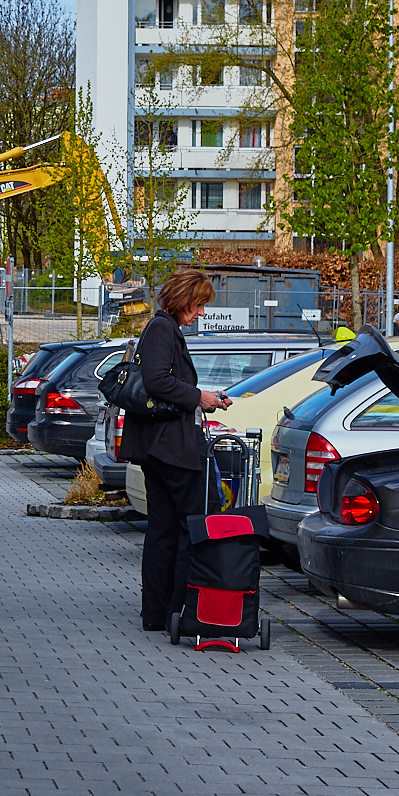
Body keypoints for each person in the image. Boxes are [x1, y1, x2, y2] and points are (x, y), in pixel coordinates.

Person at [119, 268, 231, 633]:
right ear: (183, 299)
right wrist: (200, 397)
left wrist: (204, 399)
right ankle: (182, 609)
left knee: (164, 529)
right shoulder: (163, 329)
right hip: (172, 449)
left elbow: (162, 382)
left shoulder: (163, 329)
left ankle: (158, 613)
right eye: (198, 305)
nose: (200, 313)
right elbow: (157, 380)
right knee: (196, 522)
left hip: (159, 447)